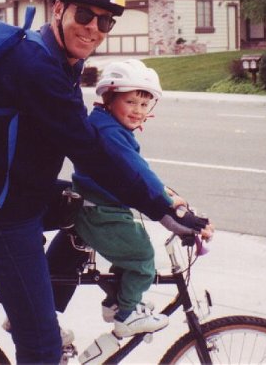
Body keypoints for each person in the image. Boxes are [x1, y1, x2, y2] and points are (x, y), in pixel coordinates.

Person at [0, 0, 210, 364]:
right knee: (42, 349)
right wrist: (161, 209)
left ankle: (51, 302)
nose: (94, 28)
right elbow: (91, 151)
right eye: (85, 15)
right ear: (58, 9)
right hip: (0, 219)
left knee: (88, 205)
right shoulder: (39, 67)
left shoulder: (60, 62)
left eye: (105, 21)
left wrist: (157, 199)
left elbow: (94, 157)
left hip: (20, 196)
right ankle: (49, 316)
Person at [66, 60, 214, 337]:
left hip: (101, 210)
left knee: (129, 257)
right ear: (109, 98)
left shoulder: (106, 124)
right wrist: (170, 206)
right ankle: (126, 316)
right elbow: (138, 172)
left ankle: (116, 303)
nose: (138, 111)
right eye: (131, 102)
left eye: (145, 105)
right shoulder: (110, 132)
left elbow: (135, 173)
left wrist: (169, 196)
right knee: (143, 259)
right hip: (102, 213)